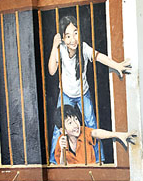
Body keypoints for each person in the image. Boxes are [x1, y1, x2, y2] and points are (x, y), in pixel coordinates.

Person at [48, 15, 131, 164]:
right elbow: (52, 71)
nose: (73, 39)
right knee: (59, 127)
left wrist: (117, 65)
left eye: (75, 33)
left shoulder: (84, 48)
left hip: (82, 93)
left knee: (91, 123)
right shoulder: (60, 49)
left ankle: (99, 160)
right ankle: (55, 162)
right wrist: (54, 47)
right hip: (65, 94)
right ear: (62, 39)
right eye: (68, 36)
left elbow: (100, 57)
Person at [54, 105, 136, 165]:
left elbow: (96, 133)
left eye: (76, 119)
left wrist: (118, 135)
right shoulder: (61, 140)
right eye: (70, 123)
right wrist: (63, 150)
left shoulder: (83, 131)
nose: (75, 125)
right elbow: (62, 165)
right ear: (62, 130)